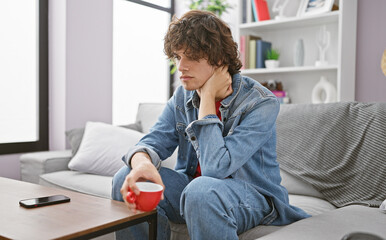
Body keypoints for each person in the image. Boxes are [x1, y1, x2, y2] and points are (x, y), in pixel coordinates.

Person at [111, 10, 310, 240]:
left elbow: (215, 170)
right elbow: (152, 141)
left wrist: (206, 100)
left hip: (253, 197)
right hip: (195, 190)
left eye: (191, 56)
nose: (181, 66)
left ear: (218, 59)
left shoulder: (260, 102)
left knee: (202, 190)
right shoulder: (181, 98)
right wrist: (142, 164)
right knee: (124, 177)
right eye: (177, 56)